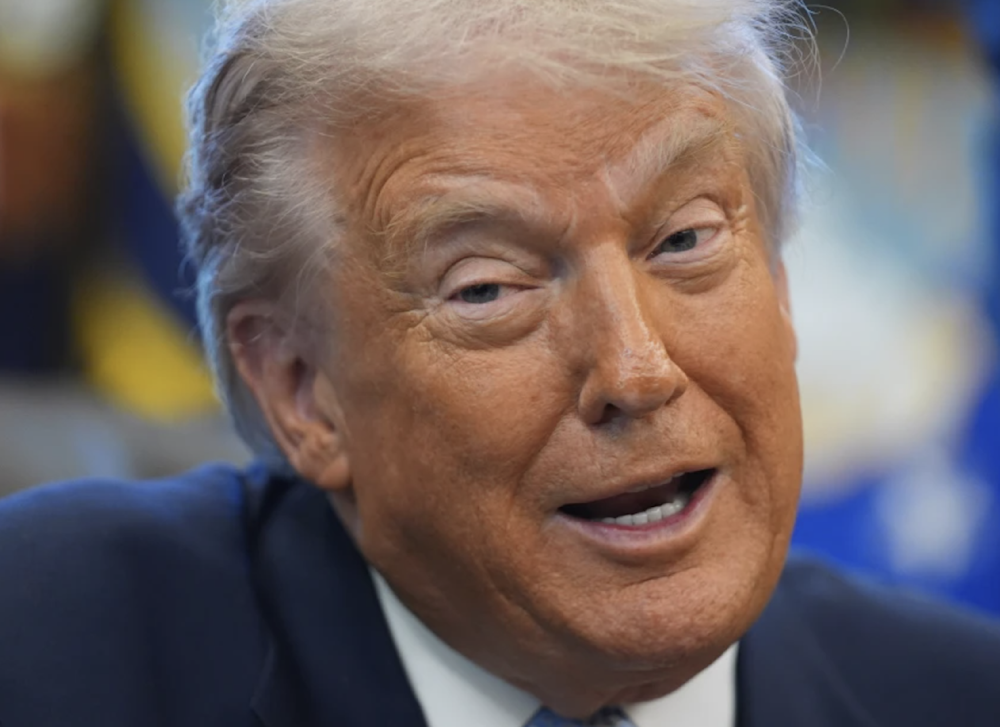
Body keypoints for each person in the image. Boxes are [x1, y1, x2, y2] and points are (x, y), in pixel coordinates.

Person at [1, 0, 999, 725]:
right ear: (301, 387)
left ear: (779, 285)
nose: (636, 368)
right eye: (488, 288)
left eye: (685, 241)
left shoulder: (957, 694)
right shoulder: (46, 650)